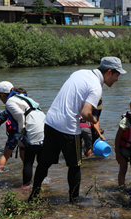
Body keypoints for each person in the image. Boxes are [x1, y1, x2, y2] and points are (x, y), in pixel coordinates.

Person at [28, 57, 126, 203]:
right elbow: (86, 113)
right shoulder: (96, 87)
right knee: (75, 165)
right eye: (117, 75)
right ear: (109, 72)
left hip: (50, 121)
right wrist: (94, 121)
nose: (117, 79)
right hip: (67, 127)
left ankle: (33, 197)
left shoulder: (79, 72)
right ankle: (74, 200)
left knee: (44, 162)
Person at [0, 81, 45, 190]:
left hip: (32, 127)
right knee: (40, 157)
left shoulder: (9, 102)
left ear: (2, 95)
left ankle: (26, 186)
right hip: (43, 124)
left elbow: (20, 115)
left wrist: (21, 132)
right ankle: (42, 182)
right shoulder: (21, 97)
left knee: (28, 160)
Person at [0, 88, 27, 173]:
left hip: (14, 135)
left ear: (2, 95)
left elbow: (1, 119)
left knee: (5, 155)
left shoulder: (10, 105)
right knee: (24, 157)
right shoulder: (24, 104)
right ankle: (29, 174)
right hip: (25, 134)